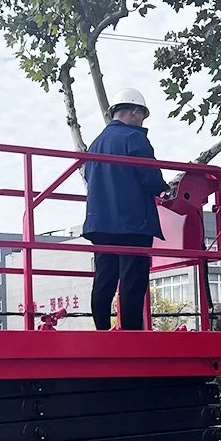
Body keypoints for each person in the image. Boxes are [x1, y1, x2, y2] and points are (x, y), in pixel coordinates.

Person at [83, 88, 169, 330]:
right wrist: (166, 189)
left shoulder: (95, 144)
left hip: (100, 222)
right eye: (142, 115)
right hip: (132, 223)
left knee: (104, 279)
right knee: (132, 280)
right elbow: (150, 177)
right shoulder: (134, 138)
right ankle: (131, 334)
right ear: (134, 111)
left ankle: (101, 330)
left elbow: (90, 177)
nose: (142, 121)